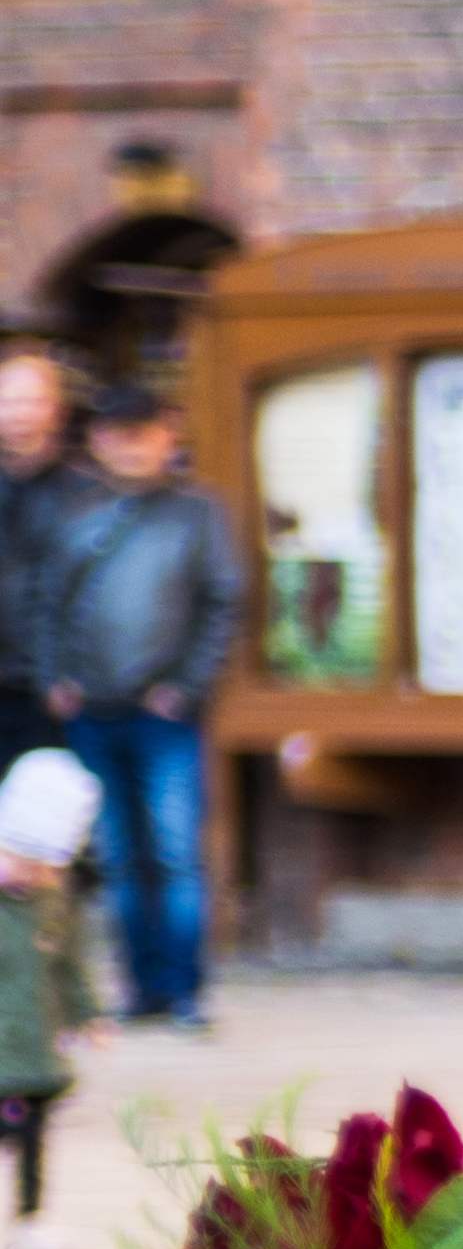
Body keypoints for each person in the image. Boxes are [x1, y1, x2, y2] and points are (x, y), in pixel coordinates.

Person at [30, 380, 239, 1032]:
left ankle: (184, 990)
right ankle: (139, 988)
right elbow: (47, 602)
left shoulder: (197, 512)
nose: (131, 446)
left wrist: (187, 684)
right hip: (93, 708)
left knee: (175, 854)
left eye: (143, 433)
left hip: (165, 713)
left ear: (166, 435)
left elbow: (224, 601)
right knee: (119, 859)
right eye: (118, 434)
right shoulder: (77, 513)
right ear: (98, 440)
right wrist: (54, 675)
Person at [0, 744, 97, 1249]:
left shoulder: (54, 904)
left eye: (41, 868)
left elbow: (71, 966)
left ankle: (31, 1216)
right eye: (16, 859)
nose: (27, 876)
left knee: (33, 1139)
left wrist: (89, 1014)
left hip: (35, 1053)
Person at [0, 346, 74, 769]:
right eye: (10, 400)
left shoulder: (84, 494)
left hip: (55, 690)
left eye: (31, 400)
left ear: (56, 409)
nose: (19, 413)